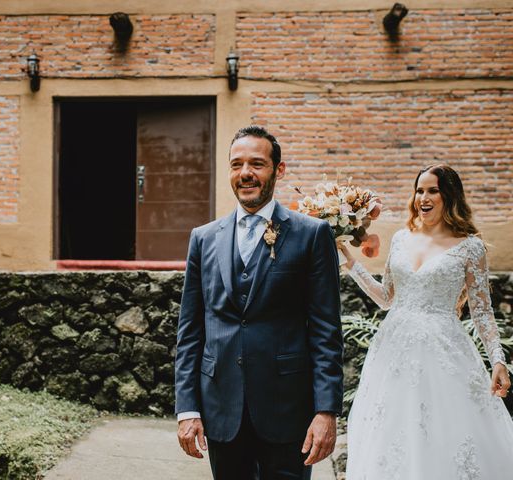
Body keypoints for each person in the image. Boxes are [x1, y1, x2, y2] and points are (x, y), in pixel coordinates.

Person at [174, 125, 343, 480]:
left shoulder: (312, 234)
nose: (245, 173)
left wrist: (326, 411)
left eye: (257, 164)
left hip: (288, 410)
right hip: (221, 408)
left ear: (278, 170)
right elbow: (190, 331)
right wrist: (187, 408)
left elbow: (326, 332)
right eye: (237, 165)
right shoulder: (203, 239)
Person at [339, 164, 513, 479]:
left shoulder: (470, 247)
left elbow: (482, 310)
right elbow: (386, 298)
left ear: (449, 195)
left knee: (446, 433)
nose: (424, 197)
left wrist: (497, 360)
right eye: (420, 190)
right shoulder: (402, 239)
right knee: (391, 432)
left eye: (433, 190)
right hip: (394, 349)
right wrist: (352, 264)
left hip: (445, 350)